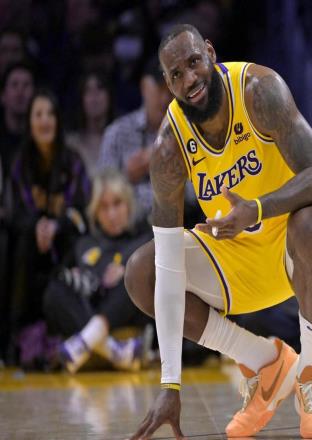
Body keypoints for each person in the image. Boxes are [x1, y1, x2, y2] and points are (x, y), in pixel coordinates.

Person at [124, 24, 312, 439]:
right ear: (168, 85)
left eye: (194, 62)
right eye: (176, 74)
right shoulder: (168, 148)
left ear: (211, 53)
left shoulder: (259, 90)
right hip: (240, 258)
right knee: (143, 273)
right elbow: (169, 265)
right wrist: (170, 384)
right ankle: (265, 362)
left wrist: (258, 210)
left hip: (304, 248)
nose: (190, 79)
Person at [43, 169, 152, 373]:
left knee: (136, 277)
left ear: (128, 205)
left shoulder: (144, 237)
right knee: (54, 291)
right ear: (94, 212)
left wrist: (126, 268)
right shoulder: (84, 244)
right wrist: (86, 278)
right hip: (90, 308)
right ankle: (114, 351)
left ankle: (88, 341)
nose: (111, 214)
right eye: (104, 207)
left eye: (117, 204)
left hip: (125, 310)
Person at [9, 89, 90, 346]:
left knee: (75, 239)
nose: (45, 120)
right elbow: (16, 214)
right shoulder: (21, 163)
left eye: (50, 114)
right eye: (38, 114)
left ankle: (75, 328)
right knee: (20, 240)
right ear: (29, 123)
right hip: (31, 246)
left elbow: (81, 215)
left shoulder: (73, 162)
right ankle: (16, 336)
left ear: (58, 120)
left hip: (65, 242)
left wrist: (56, 225)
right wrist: (38, 226)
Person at [97, 58, 172, 218]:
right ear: (144, 87)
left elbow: (199, 193)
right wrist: (126, 176)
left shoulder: (186, 132)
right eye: (160, 89)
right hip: (128, 226)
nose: (165, 98)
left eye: (170, 89)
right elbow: (101, 192)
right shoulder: (117, 133)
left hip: (179, 222)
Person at [66, 70, 114, 177]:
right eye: (88, 90)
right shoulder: (70, 144)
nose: (94, 96)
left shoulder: (121, 140)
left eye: (100, 88)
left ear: (109, 96)